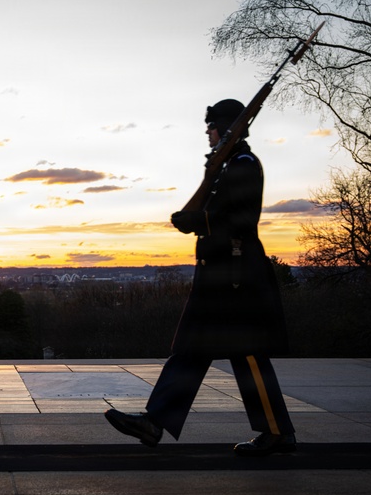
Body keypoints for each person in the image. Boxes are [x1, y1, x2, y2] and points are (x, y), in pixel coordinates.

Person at [104, 99, 296, 457]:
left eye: (211, 127)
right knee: (190, 350)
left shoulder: (243, 164)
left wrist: (200, 222)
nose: (207, 134)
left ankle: (277, 431)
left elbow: (242, 221)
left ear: (225, 129)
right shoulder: (226, 167)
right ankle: (154, 421)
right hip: (219, 275)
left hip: (237, 276)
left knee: (249, 355)